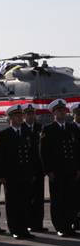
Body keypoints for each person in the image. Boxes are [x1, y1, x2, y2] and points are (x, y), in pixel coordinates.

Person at [0, 104, 42, 240]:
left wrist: (33, 172)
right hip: (11, 176)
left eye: (20, 115)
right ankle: (15, 229)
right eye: (16, 116)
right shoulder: (3, 135)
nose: (19, 118)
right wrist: (1, 175)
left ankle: (24, 229)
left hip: (26, 174)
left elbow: (33, 154)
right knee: (13, 204)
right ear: (10, 118)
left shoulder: (28, 133)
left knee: (25, 202)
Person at [40, 99, 80, 237]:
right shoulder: (48, 130)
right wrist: (48, 171)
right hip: (56, 172)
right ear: (54, 113)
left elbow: (77, 150)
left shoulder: (72, 128)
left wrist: (78, 168)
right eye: (59, 111)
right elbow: (44, 152)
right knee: (58, 200)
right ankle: (60, 226)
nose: (62, 113)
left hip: (71, 170)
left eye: (63, 110)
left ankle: (69, 225)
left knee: (71, 199)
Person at [22, 103, 47, 233]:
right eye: (28, 114)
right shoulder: (21, 129)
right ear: (24, 115)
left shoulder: (40, 128)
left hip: (38, 169)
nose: (31, 116)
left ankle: (38, 223)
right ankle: (28, 223)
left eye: (32, 114)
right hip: (26, 170)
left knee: (39, 198)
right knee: (27, 198)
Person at [70, 102, 80, 231]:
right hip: (75, 168)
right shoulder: (69, 128)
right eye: (78, 113)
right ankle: (75, 221)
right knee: (74, 197)